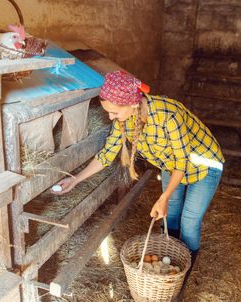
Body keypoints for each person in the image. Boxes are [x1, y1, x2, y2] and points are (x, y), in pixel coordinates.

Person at [53, 70, 224, 298]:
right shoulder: (125, 121)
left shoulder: (168, 114)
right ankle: (171, 267)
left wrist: (163, 197)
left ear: (132, 104)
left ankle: (183, 275)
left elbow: (182, 162)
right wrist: (76, 180)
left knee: (189, 220)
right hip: (171, 164)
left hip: (203, 165)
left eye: (114, 112)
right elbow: (107, 154)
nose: (111, 117)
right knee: (170, 217)